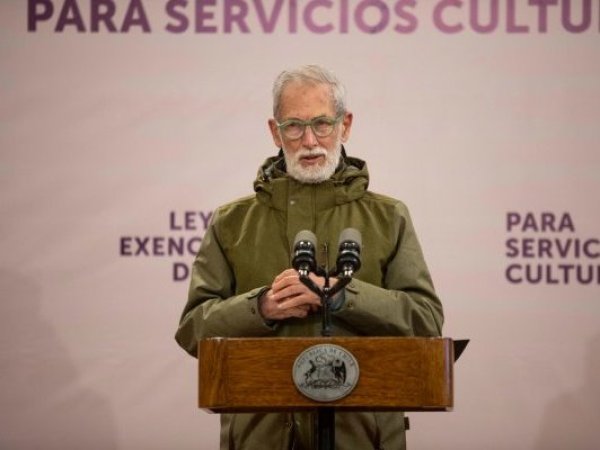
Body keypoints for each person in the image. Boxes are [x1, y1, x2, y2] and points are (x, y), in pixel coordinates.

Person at [175, 64, 443, 450]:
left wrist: (341, 295)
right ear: (275, 132)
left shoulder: (389, 217)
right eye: (294, 126)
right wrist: (261, 307)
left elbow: (426, 321)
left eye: (322, 123)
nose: (310, 140)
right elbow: (193, 331)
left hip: (363, 439)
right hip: (261, 439)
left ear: (345, 125)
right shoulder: (231, 222)